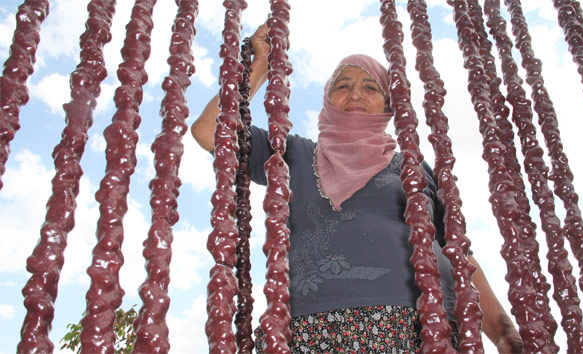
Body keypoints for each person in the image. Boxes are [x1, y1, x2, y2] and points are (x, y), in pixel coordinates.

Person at [192, 25, 523, 353]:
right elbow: (210, 131)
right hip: (309, 331)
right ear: (327, 97)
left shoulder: (415, 169)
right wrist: (258, 66)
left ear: (387, 105)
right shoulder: (291, 154)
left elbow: (458, 253)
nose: (354, 95)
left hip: (423, 330)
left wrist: (503, 331)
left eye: (370, 87)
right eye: (343, 85)